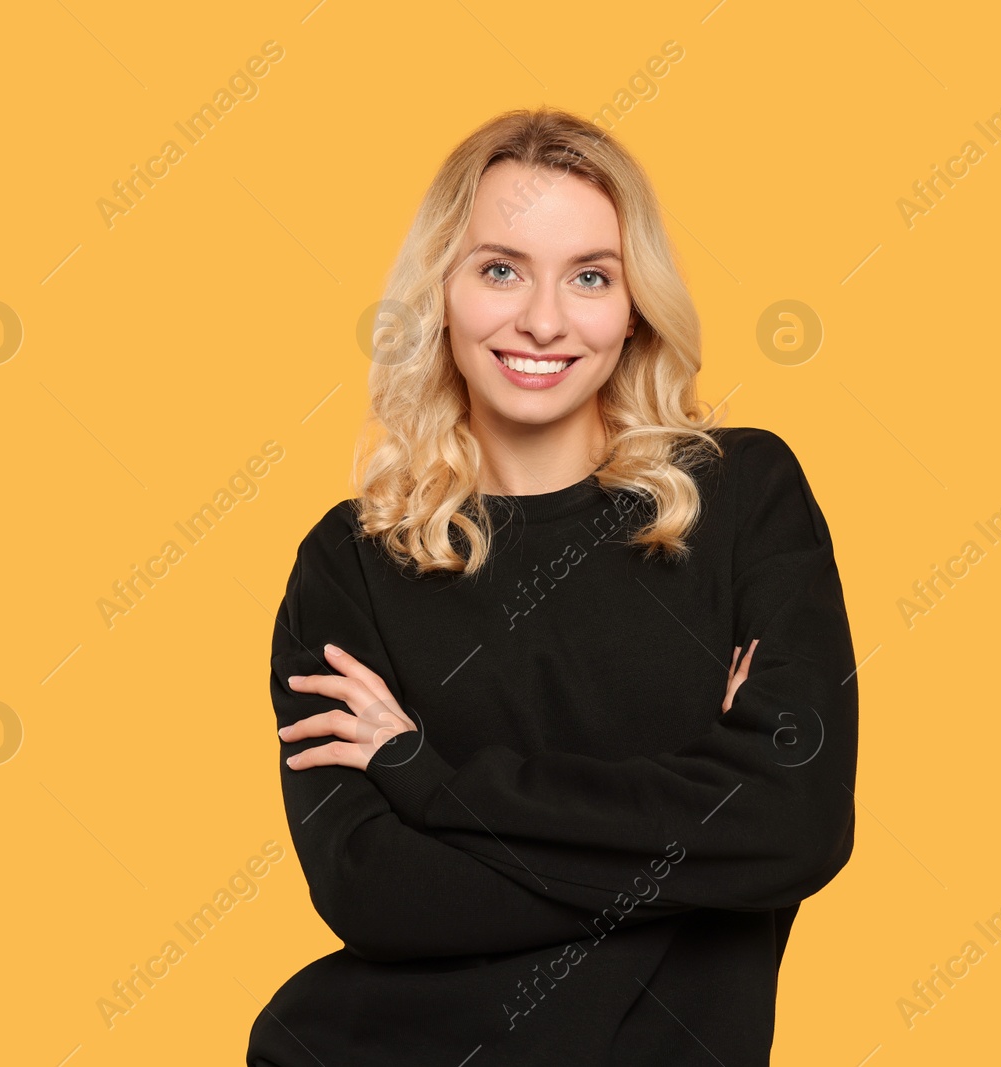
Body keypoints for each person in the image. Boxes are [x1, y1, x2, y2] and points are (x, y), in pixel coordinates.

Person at [247, 106, 858, 1066]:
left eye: (589, 276)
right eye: (500, 269)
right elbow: (373, 891)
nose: (542, 318)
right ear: (441, 292)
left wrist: (428, 782)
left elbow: (796, 822)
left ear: (634, 304)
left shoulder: (740, 498)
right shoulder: (351, 562)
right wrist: (698, 833)